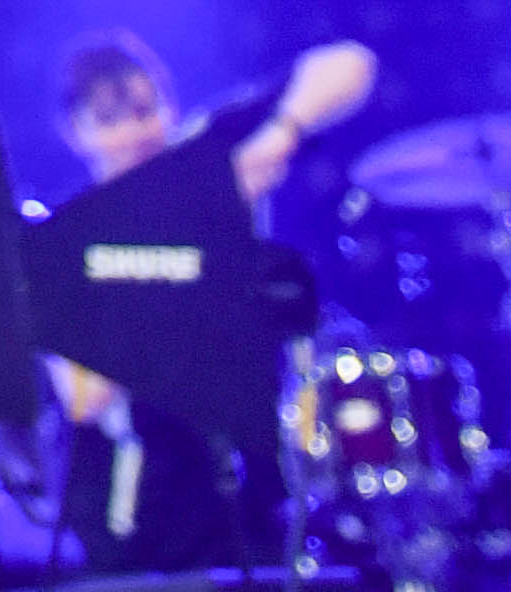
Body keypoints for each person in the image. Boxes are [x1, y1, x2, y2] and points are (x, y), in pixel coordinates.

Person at [36, 30, 371, 577]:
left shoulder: (203, 166)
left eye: (147, 111)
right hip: (138, 505)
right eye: (111, 120)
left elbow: (350, 64)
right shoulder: (62, 244)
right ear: (77, 133)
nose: (136, 132)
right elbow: (85, 397)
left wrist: (279, 135)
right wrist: (174, 247)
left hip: (248, 483)